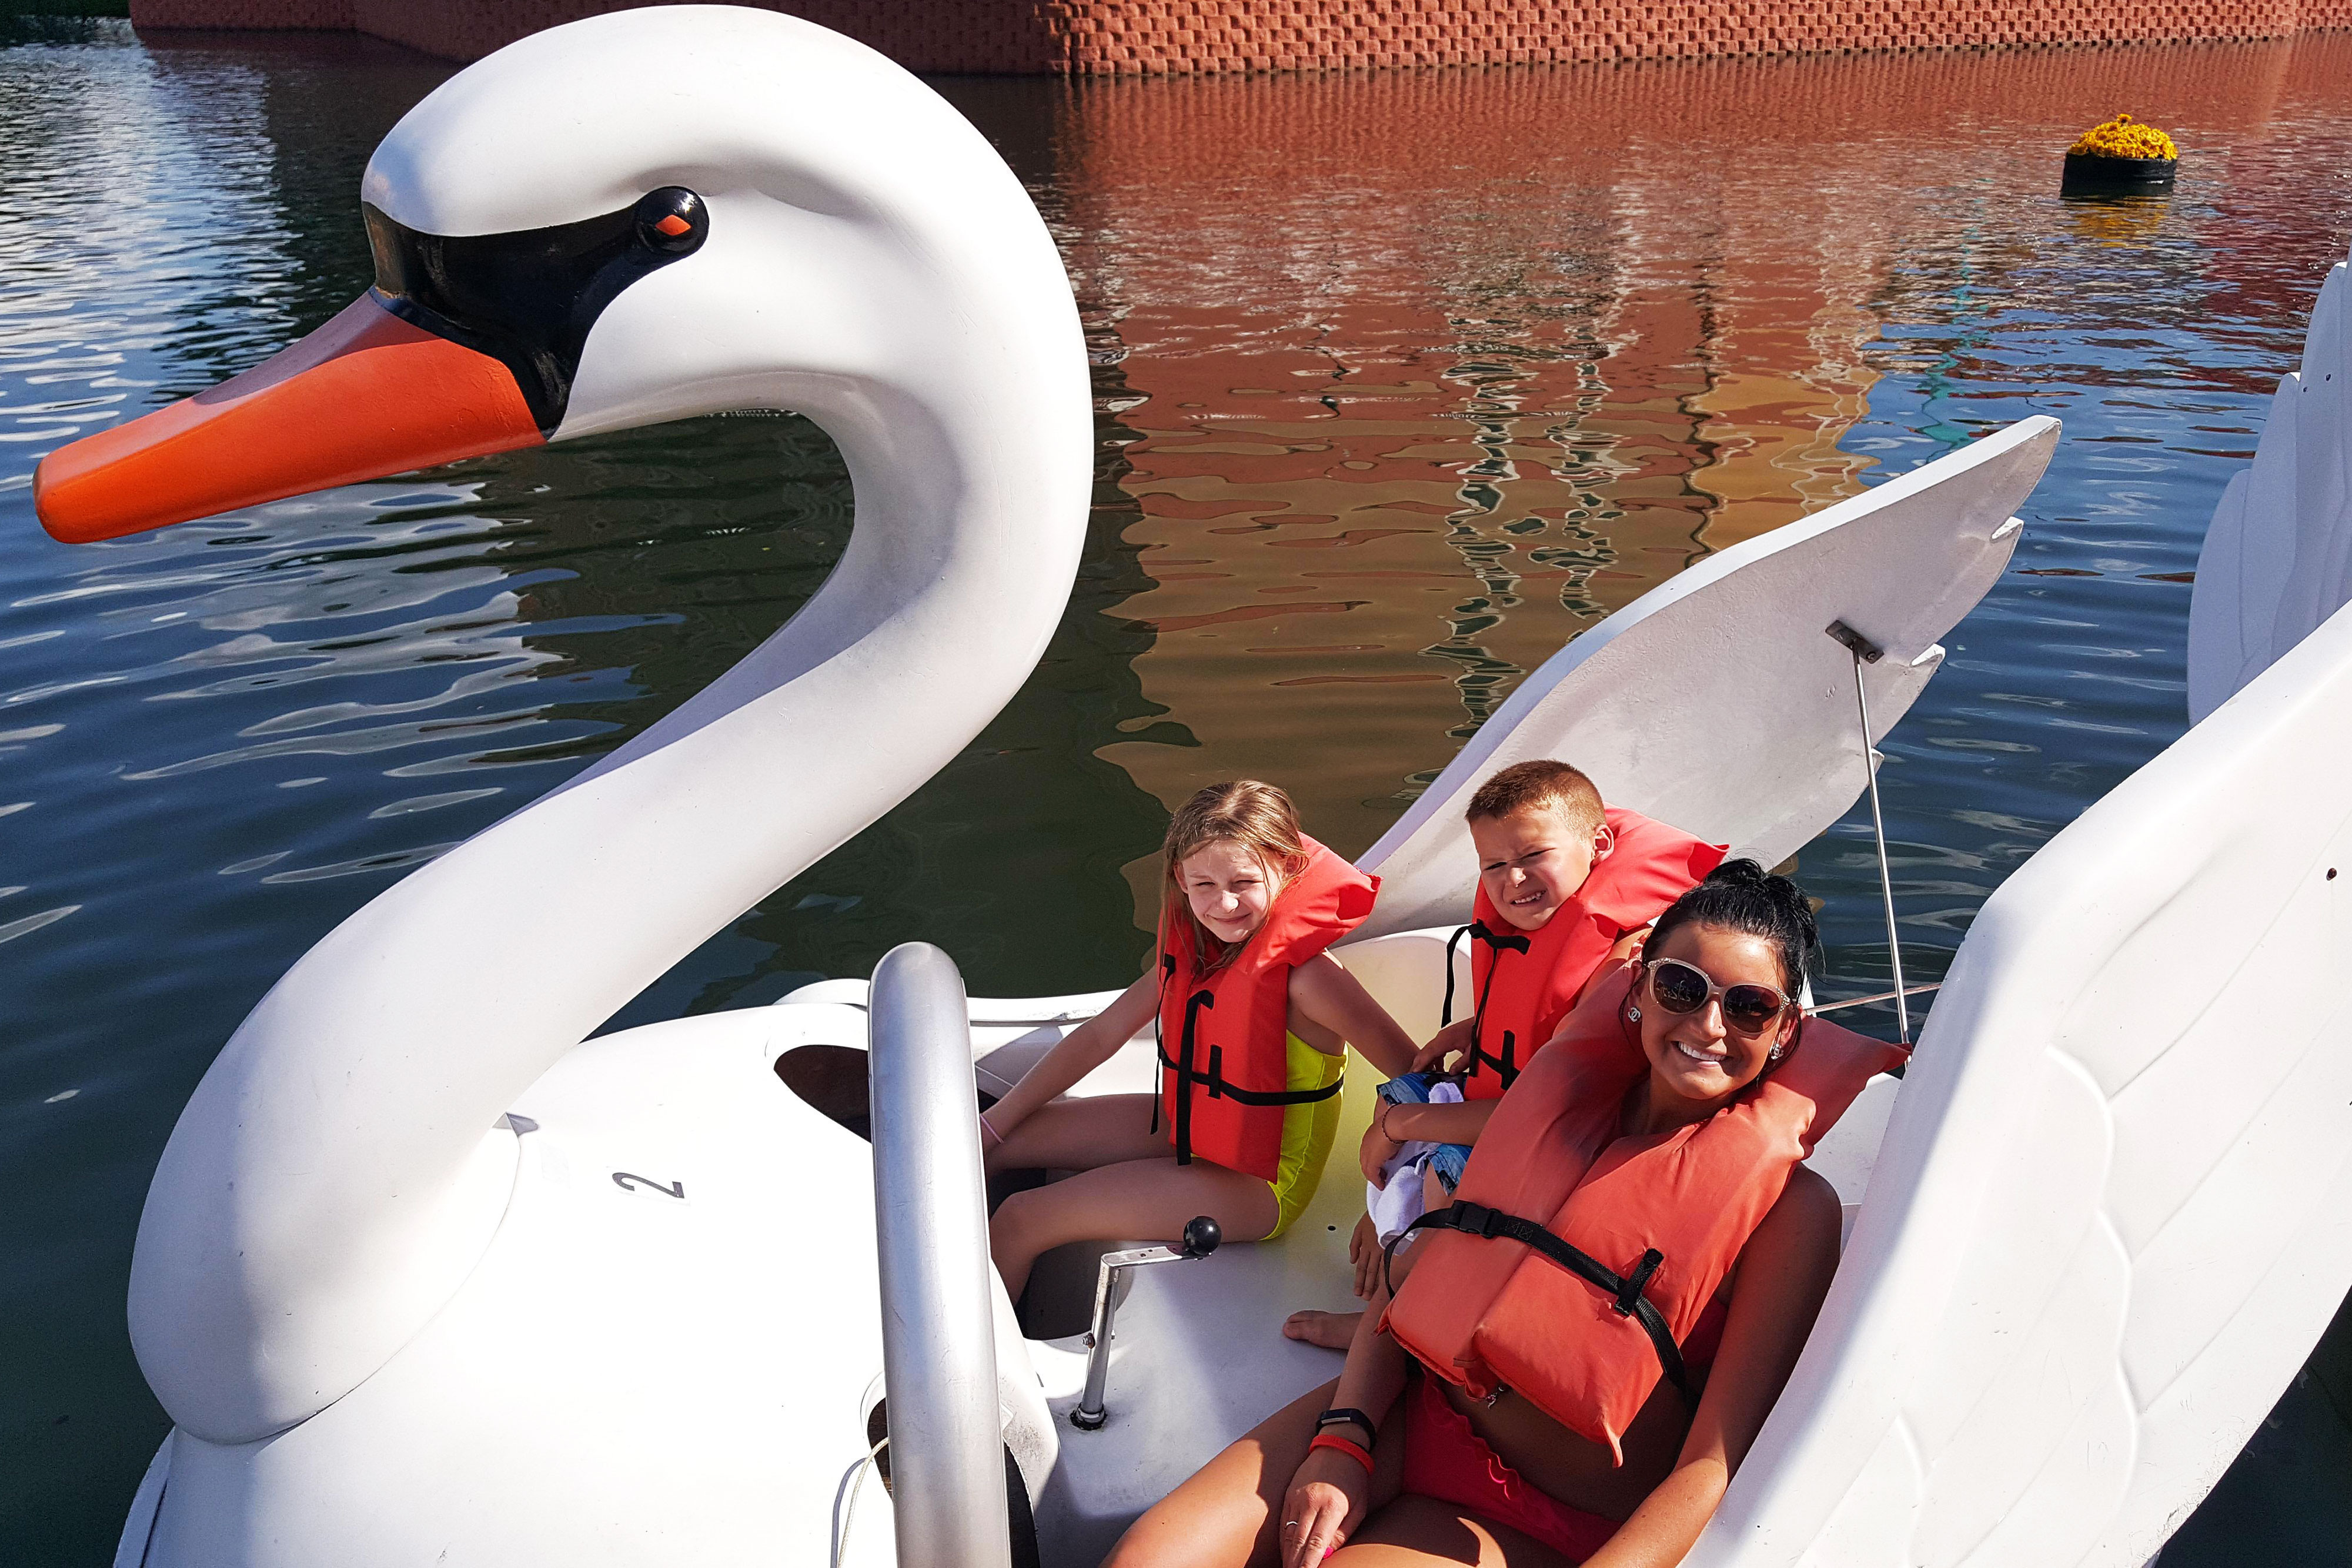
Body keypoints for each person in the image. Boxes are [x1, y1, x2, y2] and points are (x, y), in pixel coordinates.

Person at [1111, 861, 1903, 1568]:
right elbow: (1426, 1279)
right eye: (1682, 987)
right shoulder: (1547, 1107)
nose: (1708, 1025)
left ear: (1787, 1030)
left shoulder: (1789, 1213)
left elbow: (1713, 1464)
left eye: (1751, 1007)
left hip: (1555, 1517)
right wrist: (1344, 1437)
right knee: (1143, 1558)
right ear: (1638, 990)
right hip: (1415, 1415)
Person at [1285, 760, 1722, 1348]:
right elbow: (1539, 1018)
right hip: (1501, 1105)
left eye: (1532, 856)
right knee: (1408, 1090)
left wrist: (1400, 1125)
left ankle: (1387, 1317)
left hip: (1556, 1150)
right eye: (1494, 865)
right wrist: (1475, 1027)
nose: (1512, 881)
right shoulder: (1534, 932)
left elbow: (1548, 1110)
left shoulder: (1624, 964)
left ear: (1598, 846)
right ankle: (1394, 1231)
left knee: (1443, 1183)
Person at [982, 780, 1421, 1303]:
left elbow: (1419, 1078)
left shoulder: (1310, 979)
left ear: (1285, 866)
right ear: (1180, 880)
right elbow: (1101, 1034)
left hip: (1261, 1185)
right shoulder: (1195, 948)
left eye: (1243, 880)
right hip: (1189, 1123)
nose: (1225, 902)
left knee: (1021, 1218)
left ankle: (962, 1377)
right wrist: (993, 1123)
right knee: (988, 1151)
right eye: (1205, 884)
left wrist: (1391, 1207)